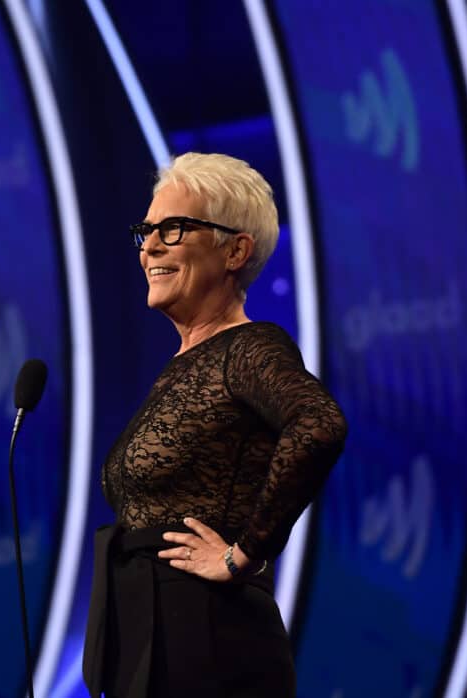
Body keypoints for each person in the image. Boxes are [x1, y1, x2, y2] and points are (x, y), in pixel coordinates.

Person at [83, 153, 347, 698]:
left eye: (173, 229)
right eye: (147, 230)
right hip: (152, 638)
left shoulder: (248, 347)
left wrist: (244, 553)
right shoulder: (187, 363)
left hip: (206, 641)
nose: (150, 246)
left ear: (236, 250)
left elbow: (318, 423)